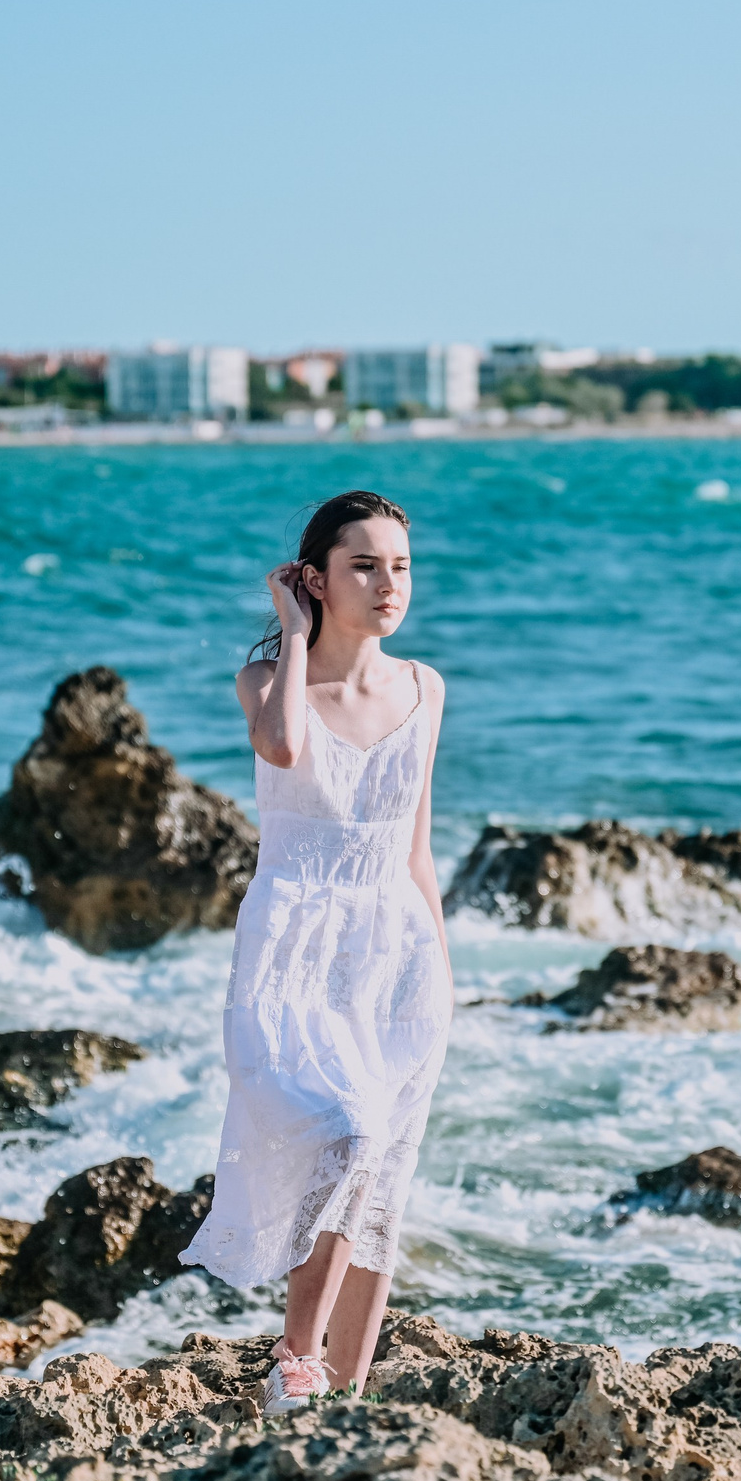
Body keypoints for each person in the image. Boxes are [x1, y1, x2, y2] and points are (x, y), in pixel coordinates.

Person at [178, 489, 453, 1413]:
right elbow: (287, 747)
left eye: (401, 566)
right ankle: (295, 1360)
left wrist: (442, 972)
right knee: (349, 1133)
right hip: (294, 952)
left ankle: (344, 1391)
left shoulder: (425, 687)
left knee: (383, 1174)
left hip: (396, 956)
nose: (388, 585)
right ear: (316, 579)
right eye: (364, 566)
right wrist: (293, 634)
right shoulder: (268, 682)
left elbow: (416, 848)